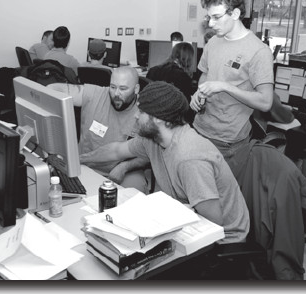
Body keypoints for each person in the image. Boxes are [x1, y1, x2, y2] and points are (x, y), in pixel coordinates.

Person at [83, 81, 250, 244]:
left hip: (221, 241)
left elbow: (214, 221)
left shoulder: (189, 158)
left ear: (158, 119)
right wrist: (79, 160)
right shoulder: (153, 139)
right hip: (185, 225)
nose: (135, 116)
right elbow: (116, 151)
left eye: (140, 112)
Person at [190, 0, 274, 179]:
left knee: (219, 200)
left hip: (227, 141)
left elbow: (265, 102)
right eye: (208, 17)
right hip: (200, 128)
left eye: (217, 17)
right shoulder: (213, 41)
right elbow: (205, 74)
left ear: (235, 14)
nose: (210, 24)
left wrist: (225, 87)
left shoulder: (258, 51)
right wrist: (198, 93)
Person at [49, 66, 147, 191]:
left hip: (121, 168)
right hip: (84, 162)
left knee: (135, 191)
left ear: (136, 89)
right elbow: (53, 89)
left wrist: (124, 167)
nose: (116, 94)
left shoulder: (144, 111)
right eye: (113, 87)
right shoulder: (96, 94)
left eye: (123, 88)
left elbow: (149, 153)